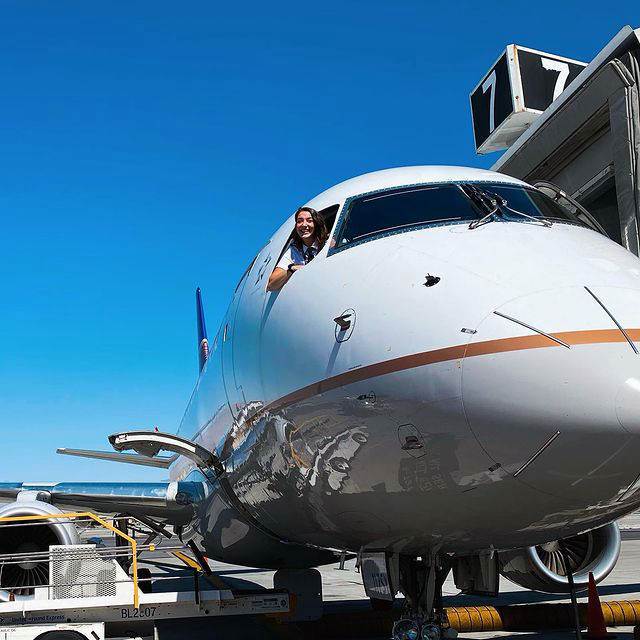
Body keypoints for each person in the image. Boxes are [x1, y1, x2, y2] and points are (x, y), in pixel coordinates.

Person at [267, 206, 328, 291]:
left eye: (309, 221)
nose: (304, 225)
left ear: (316, 223)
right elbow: (271, 285)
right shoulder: (293, 251)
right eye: (299, 221)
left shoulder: (328, 243)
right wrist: (291, 269)